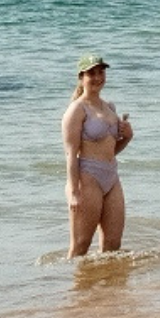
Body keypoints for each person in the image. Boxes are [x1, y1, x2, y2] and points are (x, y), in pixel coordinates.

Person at [62, 53, 133, 258]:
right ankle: (74, 288)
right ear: (81, 77)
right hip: (87, 177)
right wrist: (74, 192)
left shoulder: (110, 108)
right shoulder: (76, 110)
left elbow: (111, 151)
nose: (97, 77)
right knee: (80, 246)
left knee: (113, 244)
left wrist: (127, 138)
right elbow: (70, 154)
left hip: (111, 177)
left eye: (101, 72)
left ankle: (104, 289)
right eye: (91, 73)